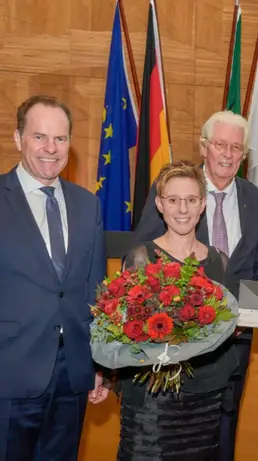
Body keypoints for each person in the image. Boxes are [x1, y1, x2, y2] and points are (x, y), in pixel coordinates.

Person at [132, 110, 258, 460]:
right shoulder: (176, 193)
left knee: (223, 432)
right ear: (204, 147)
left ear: (244, 155)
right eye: (220, 145)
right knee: (173, 437)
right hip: (175, 347)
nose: (228, 154)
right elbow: (142, 262)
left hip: (235, 343)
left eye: (236, 147)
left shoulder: (256, 201)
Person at [0, 95, 107, 461]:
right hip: (8, 373)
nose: (51, 148)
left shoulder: (88, 204)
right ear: (18, 138)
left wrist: (99, 364)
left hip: (72, 376)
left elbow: (96, 290)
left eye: (60, 139)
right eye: (40, 137)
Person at [116, 160, 239, 460]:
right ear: (160, 204)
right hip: (152, 402)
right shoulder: (141, 258)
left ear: (202, 205)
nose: (182, 209)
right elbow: (125, 332)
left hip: (204, 402)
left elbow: (228, 328)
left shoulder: (219, 262)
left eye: (191, 200)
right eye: (173, 200)